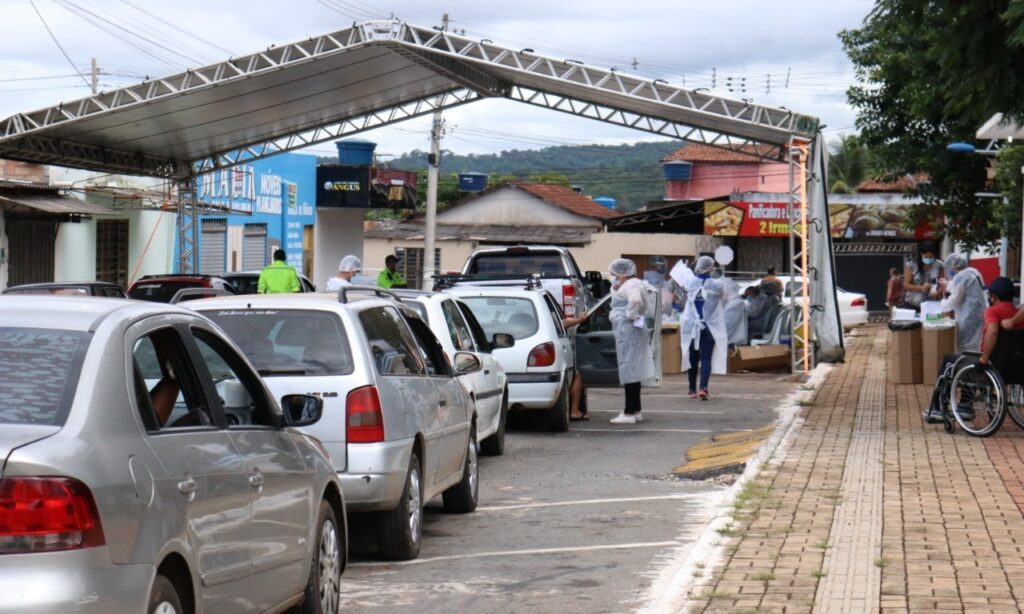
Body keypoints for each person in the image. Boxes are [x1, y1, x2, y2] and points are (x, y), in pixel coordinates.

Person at [607, 258, 656, 424]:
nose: (614, 277)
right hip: (632, 332)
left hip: (628, 332)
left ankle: (629, 412)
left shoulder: (631, 285)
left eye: (615, 274)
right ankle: (635, 410)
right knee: (634, 372)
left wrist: (630, 315)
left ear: (622, 273)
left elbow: (635, 300)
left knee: (629, 371)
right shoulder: (635, 283)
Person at [679, 256, 727, 400]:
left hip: (692, 325)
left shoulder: (691, 282)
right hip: (709, 325)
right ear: (711, 268)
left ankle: (691, 389)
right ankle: (704, 388)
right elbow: (721, 296)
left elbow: (686, 288)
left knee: (693, 358)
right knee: (706, 358)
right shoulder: (717, 285)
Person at [936, 253, 986, 354]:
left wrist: (942, 303)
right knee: (977, 345)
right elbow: (962, 288)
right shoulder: (974, 272)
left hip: (968, 317)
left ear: (953, 266)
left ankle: (966, 367)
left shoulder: (961, 277)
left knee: (965, 346)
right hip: (979, 314)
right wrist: (947, 284)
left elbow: (955, 300)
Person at [562, 313, 590, 421]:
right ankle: (574, 410)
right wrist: (580, 320)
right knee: (577, 375)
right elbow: (564, 323)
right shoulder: (545, 319)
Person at [902, 241, 943, 309]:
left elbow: (943, 282)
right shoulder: (912, 265)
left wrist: (938, 292)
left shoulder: (939, 265)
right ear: (921, 254)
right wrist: (921, 287)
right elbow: (906, 285)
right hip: (914, 303)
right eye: (926, 257)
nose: (929, 259)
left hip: (933, 303)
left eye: (931, 257)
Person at [722, 278, 748, 348]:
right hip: (734, 304)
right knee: (734, 334)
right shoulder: (728, 281)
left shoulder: (723, 282)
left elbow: (722, 298)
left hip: (732, 306)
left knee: (726, 333)